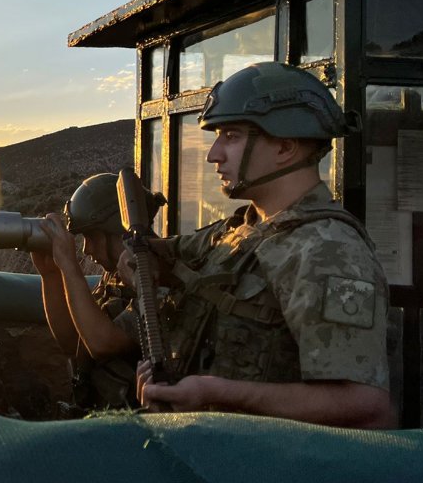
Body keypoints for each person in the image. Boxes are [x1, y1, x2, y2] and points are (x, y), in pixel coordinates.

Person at [129, 61, 393, 429]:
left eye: (232, 136)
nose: (213, 154)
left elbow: (367, 407)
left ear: (285, 147)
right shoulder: (243, 229)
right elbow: (160, 256)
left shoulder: (326, 250)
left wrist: (215, 393)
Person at [31, 173, 163, 412]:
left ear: (116, 229)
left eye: (91, 237)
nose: (86, 249)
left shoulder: (157, 275)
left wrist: (70, 266)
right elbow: (73, 343)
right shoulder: (115, 276)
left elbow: (103, 343)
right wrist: (51, 275)